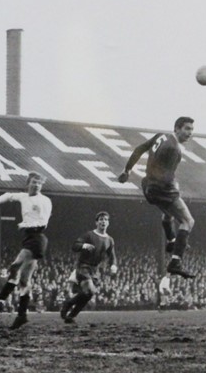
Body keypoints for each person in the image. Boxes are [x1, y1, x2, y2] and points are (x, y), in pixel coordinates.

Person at [117, 116, 196, 278]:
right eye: (187, 129)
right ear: (177, 128)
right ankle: (175, 262)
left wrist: (127, 170)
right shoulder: (174, 149)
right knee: (188, 221)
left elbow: (139, 149)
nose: (190, 133)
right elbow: (166, 177)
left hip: (147, 187)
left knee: (169, 213)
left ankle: (171, 241)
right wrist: (175, 187)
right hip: (161, 189)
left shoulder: (160, 136)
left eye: (192, 130)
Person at [0, 171, 52, 329]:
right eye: (34, 182)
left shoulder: (45, 200)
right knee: (24, 281)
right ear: (28, 183)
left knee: (15, 266)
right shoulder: (23, 196)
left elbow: (44, 222)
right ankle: (22, 315)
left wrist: (25, 225)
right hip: (29, 238)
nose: (37, 185)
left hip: (37, 238)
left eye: (39, 183)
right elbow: (8, 195)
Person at [60, 211, 118, 323]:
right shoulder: (89, 235)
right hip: (83, 266)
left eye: (106, 219)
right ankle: (68, 304)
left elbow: (112, 256)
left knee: (89, 294)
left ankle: (71, 315)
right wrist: (83, 245)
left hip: (95, 270)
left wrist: (114, 265)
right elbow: (74, 246)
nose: (103, 221)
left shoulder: (110, 240)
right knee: (90, 290)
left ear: (108, 223)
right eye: (101, 219)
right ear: (96, 222)